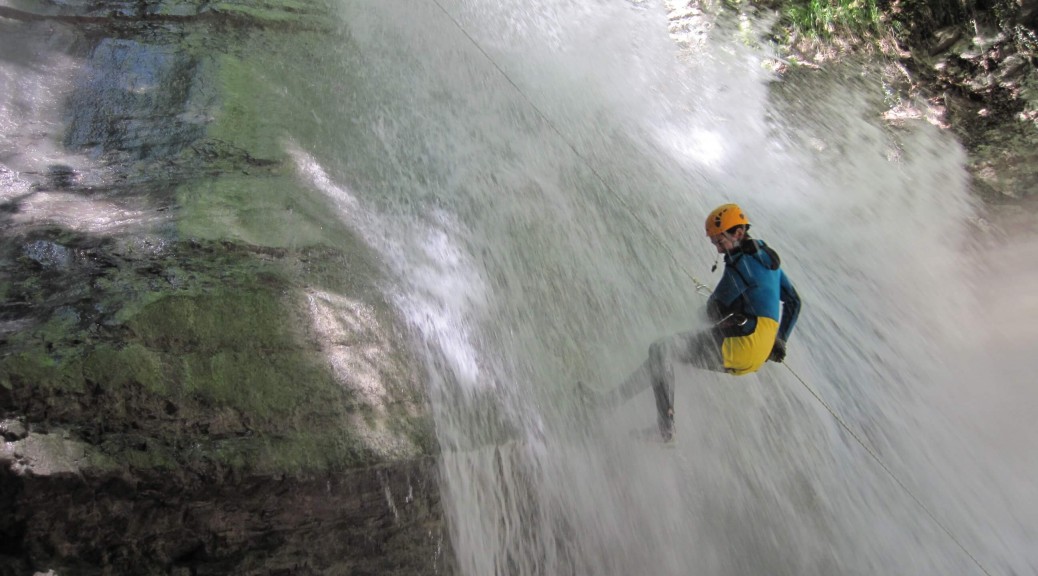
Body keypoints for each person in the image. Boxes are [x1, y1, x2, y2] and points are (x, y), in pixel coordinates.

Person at [582, 203, 801, 441]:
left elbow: (713, 309)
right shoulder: (767, 260)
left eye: (720, 241)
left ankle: (665, 429)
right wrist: (781, 339)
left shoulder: (740, 266)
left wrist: (690, 314)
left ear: (738, 233)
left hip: (742, 342)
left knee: (662, 348)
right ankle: (609, 403)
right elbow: (794, 302)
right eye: (714, 243)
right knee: (662, 357)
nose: (718, 249)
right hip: (758, 351)